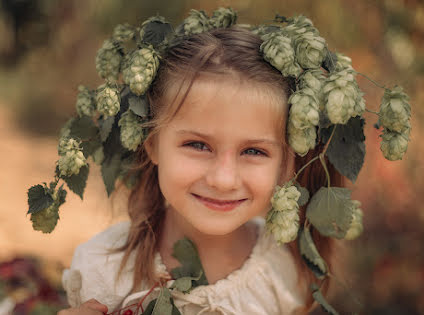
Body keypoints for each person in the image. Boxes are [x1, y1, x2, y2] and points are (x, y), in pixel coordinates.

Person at [58, 26, 342, 315]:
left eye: (254, 151)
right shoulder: (102, 271)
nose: (223, 179)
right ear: (153, 144)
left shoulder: (284, 274)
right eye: (198, 145)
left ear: (286, 161)